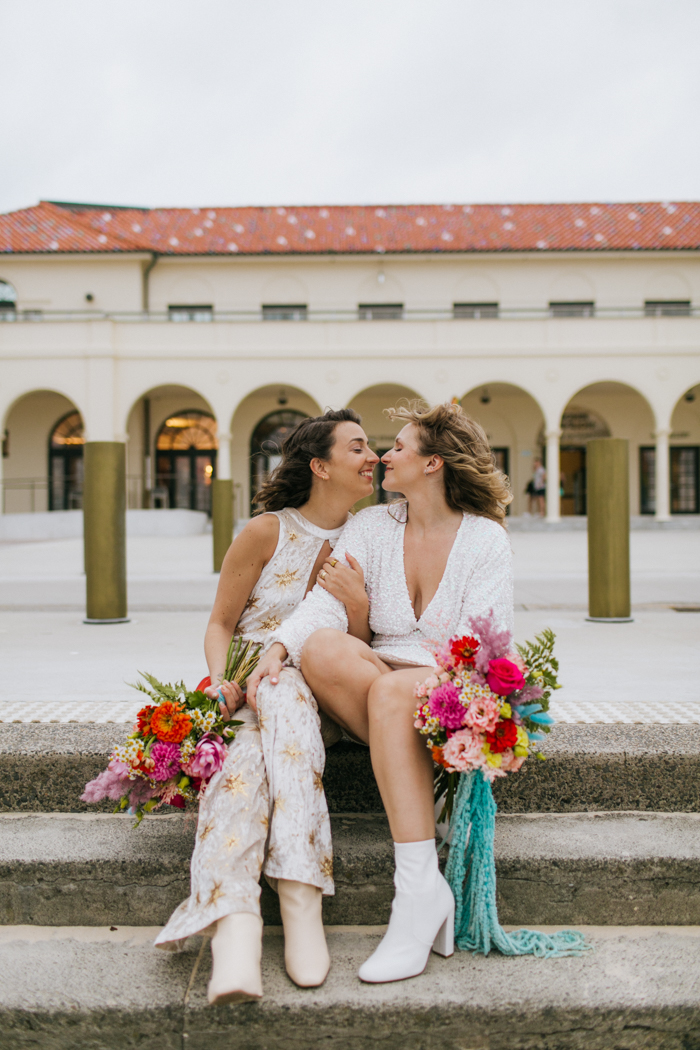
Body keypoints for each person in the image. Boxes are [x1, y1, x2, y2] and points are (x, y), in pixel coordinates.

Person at [248, 401, 513, 985]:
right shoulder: (370, 526)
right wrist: (276, 650)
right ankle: (423, 800)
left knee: (395, 692)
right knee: (320, 645)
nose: (384, 456)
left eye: (398, 447)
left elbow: (480, 646)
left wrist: (415, 676)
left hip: (443, 688)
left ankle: (418, 892)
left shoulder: (485, 540)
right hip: (380, 676)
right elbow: (324, 605)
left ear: (433, 464)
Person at [155, 408, 378, 1005]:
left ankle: (237, 925)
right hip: (249, 695)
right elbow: (221, 623)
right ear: (320, 466)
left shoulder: (369, 537)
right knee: (247, 759)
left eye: (373, 447)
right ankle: (273, 910)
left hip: (320, 692)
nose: (373, 457)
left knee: (281, 694)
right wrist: (223, 681)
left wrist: (356, 602)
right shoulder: (265, 532)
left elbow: (363, 645)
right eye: (358, 448)